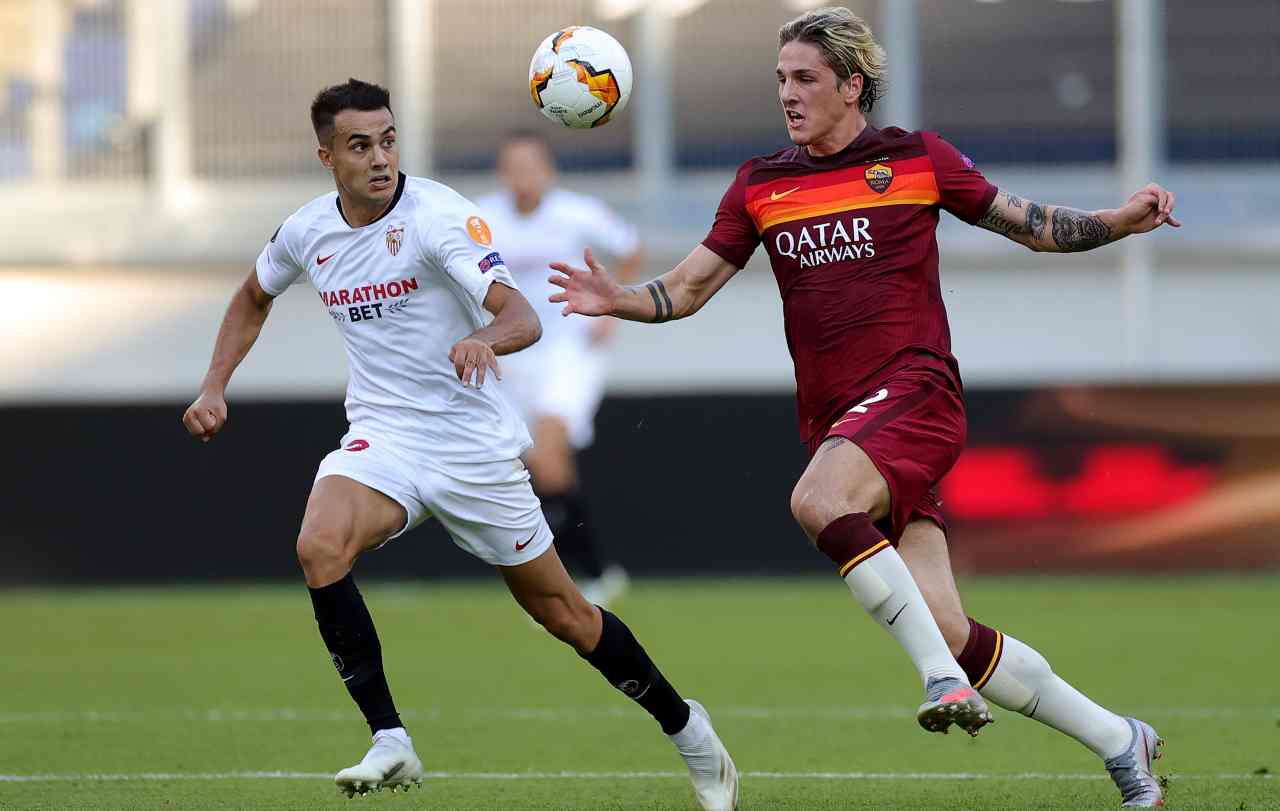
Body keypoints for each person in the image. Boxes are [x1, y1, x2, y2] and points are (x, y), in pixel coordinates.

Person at [549, 8, 1178, 808]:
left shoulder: (915, 159)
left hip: (916, 393)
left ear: (852, 86)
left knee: (818, 499)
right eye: (781, 79)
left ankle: (940, 680)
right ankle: (1120, 739)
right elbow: (688, 287)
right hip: (845, 425)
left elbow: (1031, 226)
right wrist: (618, 298)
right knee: (948, 624)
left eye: (805, 78)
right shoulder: (760, 183)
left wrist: (1120, 221)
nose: (788, 93)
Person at [181, 79, 738, 810]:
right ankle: (390, 738)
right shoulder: (306, 232)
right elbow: (253, 296)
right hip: (383, 436)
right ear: (326, 157)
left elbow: (522, 315)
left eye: (387, 141)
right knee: (318, 546)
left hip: (471, 447)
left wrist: (483, 338)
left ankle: (687, 727)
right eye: (359, 146)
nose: (380, 158)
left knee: (565, 614)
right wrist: (214, 385)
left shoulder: (439, 217)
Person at [477, 131, 642, 607]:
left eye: (531, 165)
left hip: (568, 351)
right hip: (511, 358)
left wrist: (613, 309)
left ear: (548, 170)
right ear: (502, 173)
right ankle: (592, 573)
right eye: (514, 166)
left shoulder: (576, 212)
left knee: (548, 455)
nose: (523, 176)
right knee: (538, 471)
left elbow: (630, 249)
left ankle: (577, 579)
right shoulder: (481, 220)